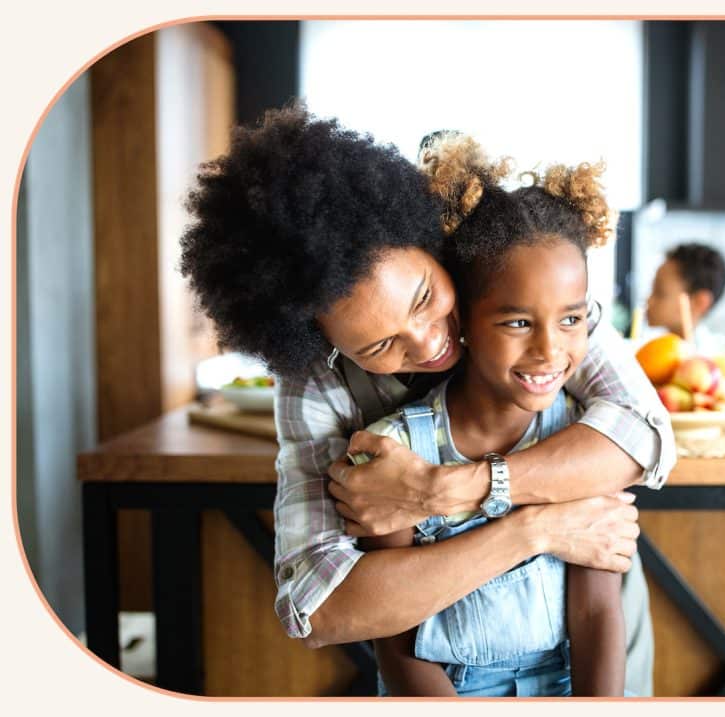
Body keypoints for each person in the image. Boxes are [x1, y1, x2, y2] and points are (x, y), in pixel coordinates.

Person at [179, 103, 674, 695]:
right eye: (381, 343)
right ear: (322, 343)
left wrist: (441, 490)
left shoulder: (524, 299)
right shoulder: (316, 383)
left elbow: (643, 436)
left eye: (423, 298)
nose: (430, 340)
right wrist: (534, 530)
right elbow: (322, 605)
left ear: (433, 247)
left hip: (589, 656)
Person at [356, 135, 623, 696]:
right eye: (518, 323)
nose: (550, 352)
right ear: (465, 326)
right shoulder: (393, 453)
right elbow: (397, 642)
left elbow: (597, 614)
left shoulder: (580, 443)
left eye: (571, 320)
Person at [645, 242, 725, 353]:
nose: (649, 301)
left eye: (660, 293)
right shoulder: (649, 350)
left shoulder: (704, 362)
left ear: (699, 302)